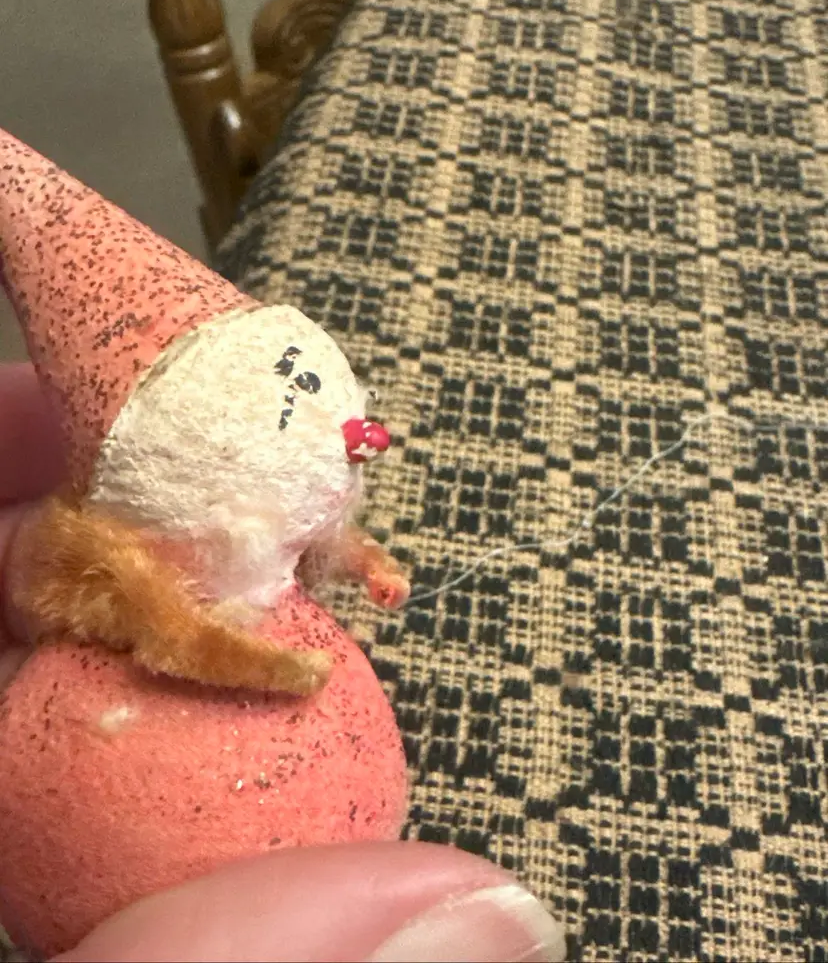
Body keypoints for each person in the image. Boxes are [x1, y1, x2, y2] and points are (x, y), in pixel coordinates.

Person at [0, 363, 566, 963]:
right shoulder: (127, 561)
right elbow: (180, 642)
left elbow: (316, 531)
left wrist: (368, 564)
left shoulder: (260, 525)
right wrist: (274, 668)